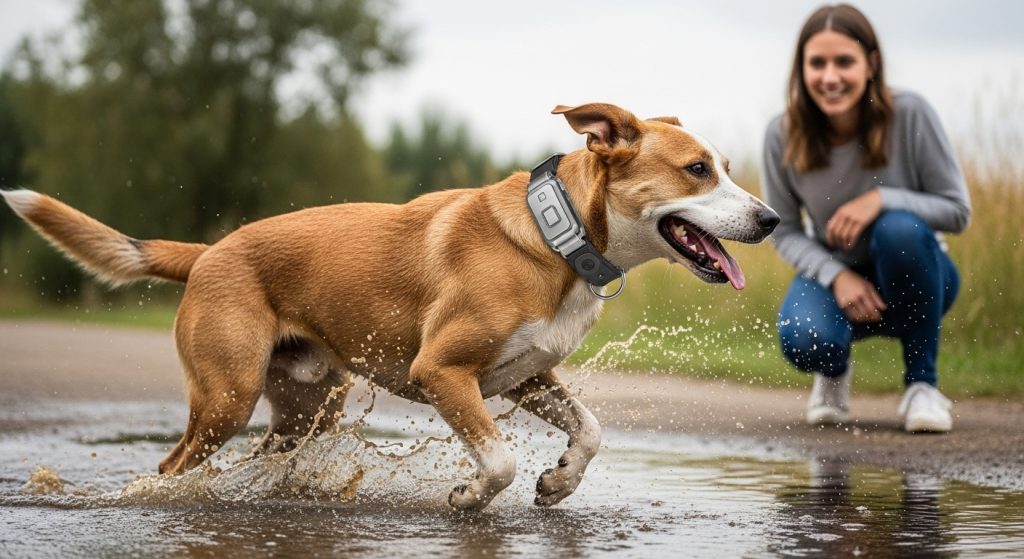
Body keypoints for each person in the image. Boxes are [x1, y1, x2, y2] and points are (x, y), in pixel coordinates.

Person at [761, 4, 970, 432]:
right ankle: (833, 374)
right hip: (835, 275)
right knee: (803, 338)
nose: (830, 77)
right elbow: (784, 230)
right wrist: (837, 275)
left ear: (871, 63)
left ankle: (922, 387)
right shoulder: (781, 133)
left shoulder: (910, 113)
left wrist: (881, 199)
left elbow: (957, 210)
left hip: (919, 273)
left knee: (899, 229)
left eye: (845, 61)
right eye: (817, 63)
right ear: (800, 68)